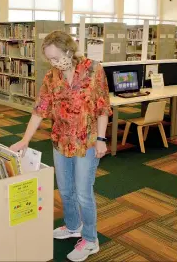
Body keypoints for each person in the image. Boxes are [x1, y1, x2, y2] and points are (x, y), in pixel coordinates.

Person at [10, 30, 112, 262]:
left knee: (84, 193)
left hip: (87, 140)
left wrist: (102, 139)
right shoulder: (51, 77)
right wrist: (25, 140)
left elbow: (102, 107)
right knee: (65, 190)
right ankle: (73, 225)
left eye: (57, 57)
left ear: (69, 51)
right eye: (50, 59)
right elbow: (39, 110)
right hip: (60, 141)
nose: (54, 63)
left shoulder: (94, 70)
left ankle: (90, 239)